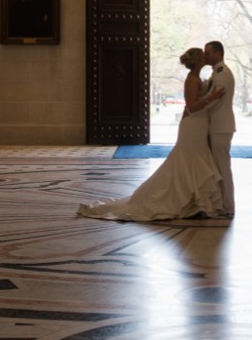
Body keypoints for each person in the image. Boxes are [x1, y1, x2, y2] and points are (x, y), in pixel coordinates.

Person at [77, 48, 226, 222]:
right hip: (192, 127)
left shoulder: (198, 78)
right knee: (188, 160)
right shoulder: (191, 79)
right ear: (198, 61)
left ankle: (196, 202)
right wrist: (212, 96)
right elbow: (192, 107)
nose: (205, 58)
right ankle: (187, 200)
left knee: (194, 161)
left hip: (199, 126)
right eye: (203, 56)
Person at [203, 39, 236, 218]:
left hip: (220, 126)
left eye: (208, 53)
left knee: (222, 167)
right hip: (217, 125)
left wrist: (196, 106)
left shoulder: (222, 74)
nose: (205, 56)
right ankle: (221, 203)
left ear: (218, 53)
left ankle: (228, 205)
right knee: (218, 167)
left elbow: (215, 100)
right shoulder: (217, 72)